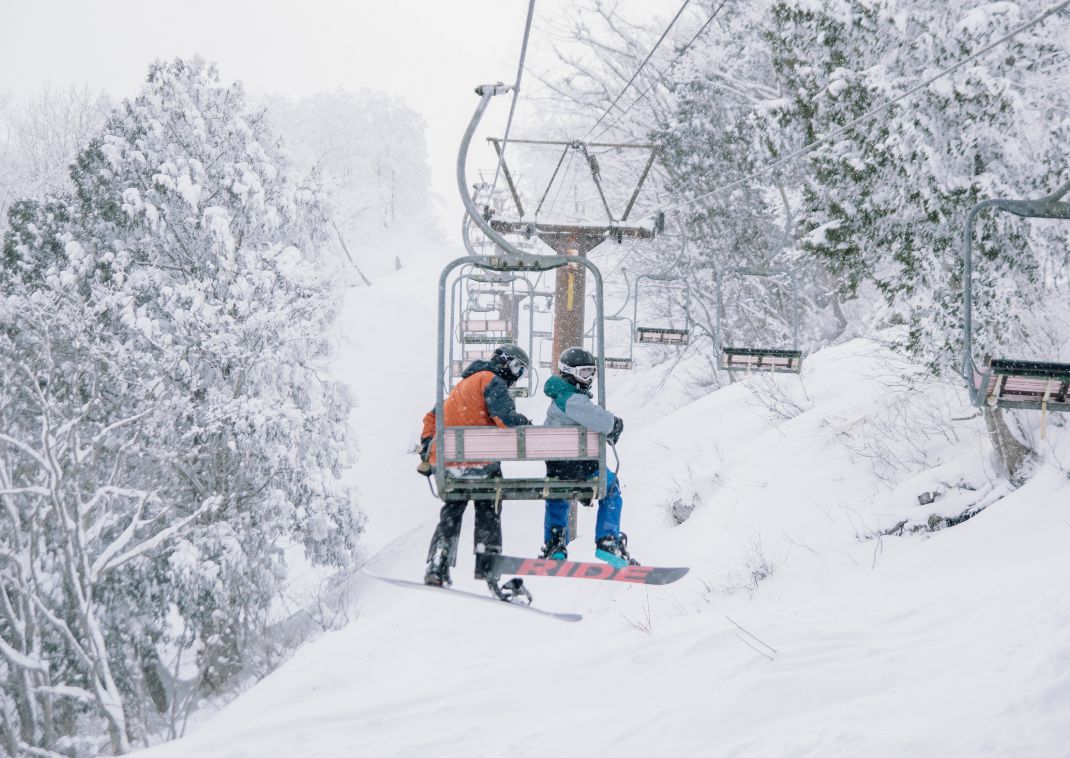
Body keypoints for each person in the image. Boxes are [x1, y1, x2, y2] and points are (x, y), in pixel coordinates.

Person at [417, 344, 531, 588]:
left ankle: (439, 561)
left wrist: (428, 447)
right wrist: (526, 424)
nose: (517, 376)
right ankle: (488, 561)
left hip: (451, 465)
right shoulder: (491, 381)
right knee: (489, 505)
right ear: (506, 363)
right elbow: (506, 420)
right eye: (518, 369)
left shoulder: (462, 386)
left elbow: (432, 417)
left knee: (453, 510)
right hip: (481, 465)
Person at [539, 346, 638, 567]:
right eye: (584, 373)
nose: (589, 378)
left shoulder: (557, 400)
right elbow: (600, 419)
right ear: (569, 372)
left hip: (557, 471)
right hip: (582, 468)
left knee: (557, 494)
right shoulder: (570, 399)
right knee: (611, 488)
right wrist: (615, 424)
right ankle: (607, 541)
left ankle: (555, 544)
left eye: (591, 373)